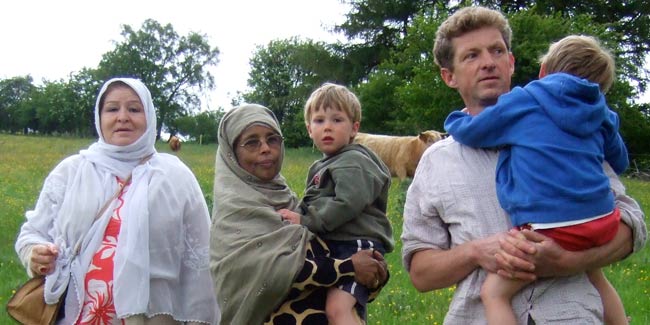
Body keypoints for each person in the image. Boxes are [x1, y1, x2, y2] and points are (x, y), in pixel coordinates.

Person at [401, 6, 647, 324]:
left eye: (497, 50)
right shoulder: (437, 160)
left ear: (511, 62)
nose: (488, 62)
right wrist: (476, 251)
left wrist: (568, 260)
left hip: (571, 314)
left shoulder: (572, 134)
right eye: (471, 56)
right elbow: (421, 274)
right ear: (449, 76)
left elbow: (632, 225)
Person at [444, 34, 629, 324]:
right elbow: (620, 159)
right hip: (603, 221)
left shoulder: (527, 100)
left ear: (543, 71)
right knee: (596, 276)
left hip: (550, 226)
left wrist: (455, 120)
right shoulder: (601, 113)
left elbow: (476, 130)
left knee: (494, 292)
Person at [14, 77, 219, 324]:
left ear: (150, 117)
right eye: (112, 109)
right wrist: (35, 254)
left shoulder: (175, 177)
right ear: (99, 118)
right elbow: (32, 234)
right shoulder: (72, 171)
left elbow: (200, 260)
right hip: (77, 315)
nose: (123, 117)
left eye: (134, 109)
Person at [210, 103, 388, 325]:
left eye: (272, 139)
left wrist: (373, 273)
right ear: (231, 153)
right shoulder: (233, 216)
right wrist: (349, 268)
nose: (265, 148)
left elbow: (366, 269)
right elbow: (273, 275)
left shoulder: (296, 203)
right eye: (252, 142)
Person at [278, 83, 394, 323]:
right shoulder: (325, 164)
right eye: (319, 121)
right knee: (336, 309)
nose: (327, 127)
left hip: (356, 244)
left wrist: (306, 221)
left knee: (338, 310)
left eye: (337, 120)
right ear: (309, 129)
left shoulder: (353, 161)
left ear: (354, 128)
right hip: (339, 244)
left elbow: (347, 203)